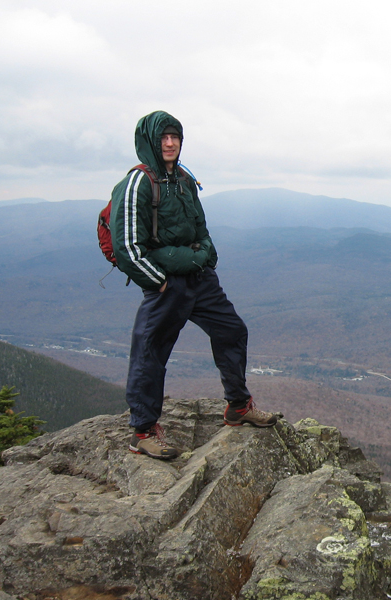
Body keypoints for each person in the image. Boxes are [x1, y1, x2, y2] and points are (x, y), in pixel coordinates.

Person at [109, 110, 281, 460]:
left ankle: (238, 405)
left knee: (232, 330)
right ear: (151, 142)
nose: (170, 143)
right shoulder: (137, 183)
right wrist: (157, 282)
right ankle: (142, 431)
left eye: (175, 137)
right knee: (150, 352)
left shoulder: (185, 179)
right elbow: (127, 246)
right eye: (163, 138)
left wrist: (207, 257)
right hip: (166, 284)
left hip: (200, 280)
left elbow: (200, 229)